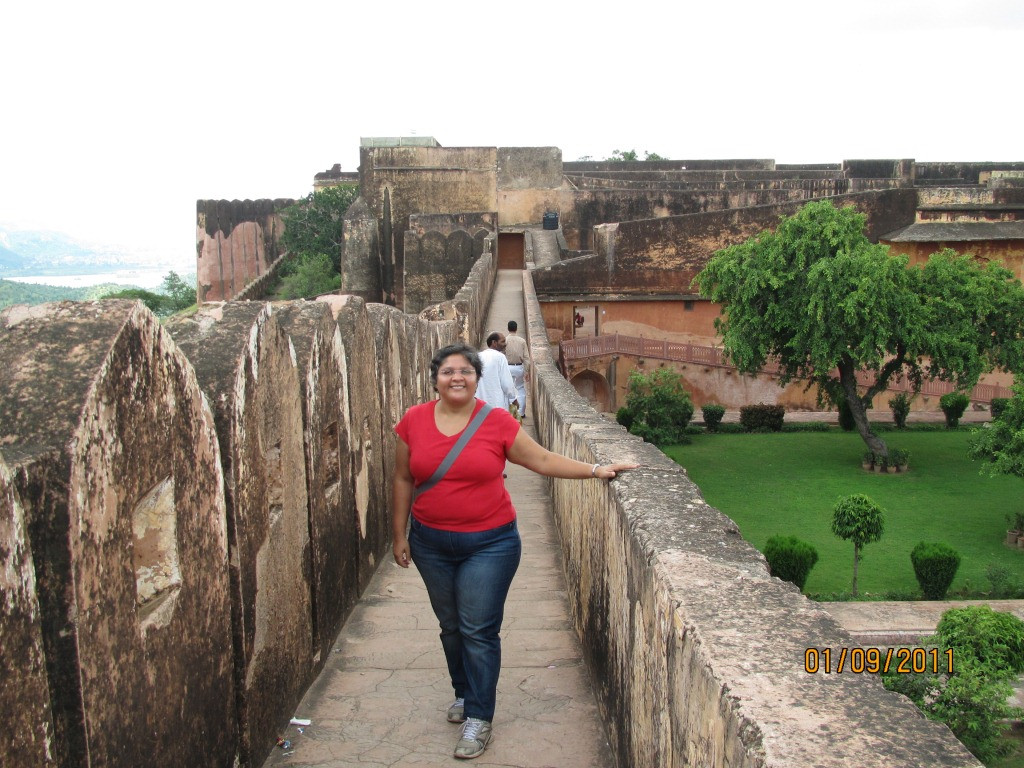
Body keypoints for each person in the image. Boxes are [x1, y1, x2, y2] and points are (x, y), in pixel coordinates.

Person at [392, 343, 638, 760]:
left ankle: (479, 716)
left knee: (477, 628)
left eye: (465, 371)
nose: (457, 377)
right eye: (448, 371)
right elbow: (402, 478)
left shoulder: (496, 422)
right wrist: (399, 534)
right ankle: (464, 692)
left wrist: (596, 470)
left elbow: (541, 460)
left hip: (490, 543)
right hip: (430, 543)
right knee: (450, 626)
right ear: (435, 380)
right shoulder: (413, 421)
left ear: (477, 378)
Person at [477, 331, 518, 413]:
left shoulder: (478, 356)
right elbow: (507, 383)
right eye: (502, 341)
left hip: (480, 405)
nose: (505, 344)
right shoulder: (500, 357)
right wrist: (514, 399)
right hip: (497, 404)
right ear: (494, 343)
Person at [503, 320, 529, 421]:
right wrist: (527, 371)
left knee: (508, 389)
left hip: (508, 367)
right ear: (516, 328)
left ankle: (509, 411)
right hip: (519, 367)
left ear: (508, 328)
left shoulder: (505, 341)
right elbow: (526, 357)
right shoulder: (522, 341)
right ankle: (521, 412)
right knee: (520, 388)